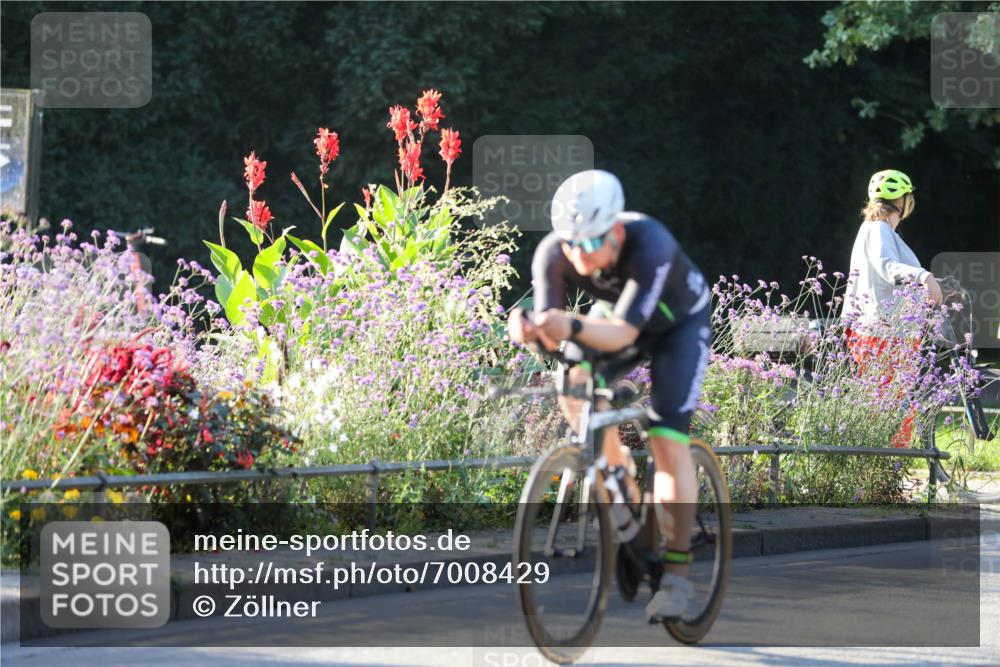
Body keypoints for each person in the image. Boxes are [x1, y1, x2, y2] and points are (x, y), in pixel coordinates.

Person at [506, 170, 711, 621]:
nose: (578, 254)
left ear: (616, 231)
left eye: (589, 242)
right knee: (572, 381)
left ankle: (677, 573)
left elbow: (621, 333)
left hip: (677, 328)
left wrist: (572, 326)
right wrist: (529, 330)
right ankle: (620, 490)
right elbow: (551, 330)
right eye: (570, 243)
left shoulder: (650, 243)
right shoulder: (553, 254)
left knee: (665, 438)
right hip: (617, 320)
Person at [841, 169, 942, 447]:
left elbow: (896, 277)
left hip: (888, 331)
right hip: (882, 333)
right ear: (904, 201)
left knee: (892, 408)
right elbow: (888, 268)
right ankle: (882, 470)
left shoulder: (881, 231)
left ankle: (886, 472)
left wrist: (939, 284)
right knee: (889, 409)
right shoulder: (878, 230)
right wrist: (924, 276)